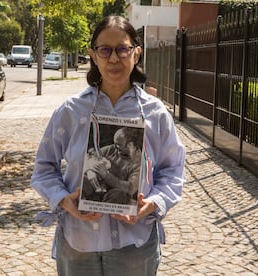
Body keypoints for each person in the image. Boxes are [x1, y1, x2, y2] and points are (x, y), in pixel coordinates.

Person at [30, 15, 185, 276]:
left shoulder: (155, 113)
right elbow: (44, 168)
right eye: (105, 50)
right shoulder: (71, 111)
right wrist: (63, 201)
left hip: (135, 242)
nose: (114, 58)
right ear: (93, 55)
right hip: (78, 243)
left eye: (123, 49)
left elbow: (173, 170)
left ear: (136, 53)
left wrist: (154, 203)